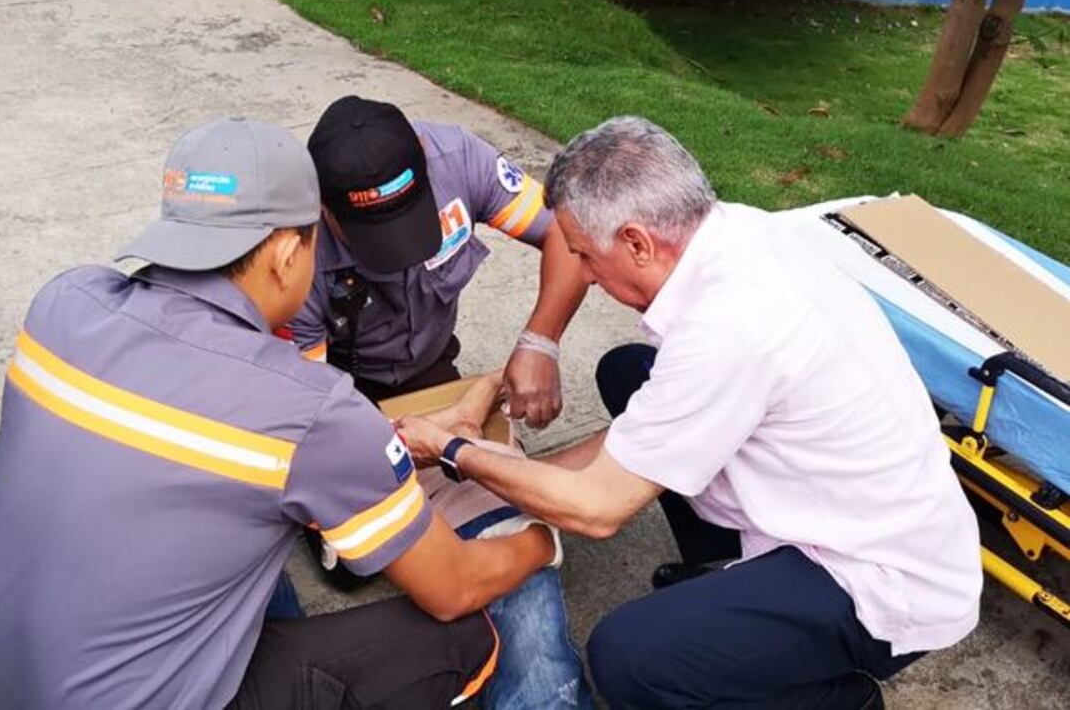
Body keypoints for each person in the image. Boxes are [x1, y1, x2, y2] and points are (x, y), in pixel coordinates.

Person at [0, 118, 561, 709]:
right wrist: (541, 535)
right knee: (460, 642)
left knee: (253, 564)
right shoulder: (307, 410)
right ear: (289, 254)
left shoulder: (62, 305)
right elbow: (454, 587)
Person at [398, 116, 984, 709]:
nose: (588, 278)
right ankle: (729, 571)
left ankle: (835, 698)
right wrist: (510, 468)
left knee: (628, 658)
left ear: (636, 243)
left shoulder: (730, 326)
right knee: (631, 371)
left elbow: (598, 509)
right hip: (857, 506)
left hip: (876, 582)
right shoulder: (740, 231)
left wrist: (457, 453)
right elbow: (645, 434)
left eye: (584, 256)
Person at [290, 95, 588, 428]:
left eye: (408, 218)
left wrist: (540, 343)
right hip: (339, 380)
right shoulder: (292, 248)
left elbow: (566, 233)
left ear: (423, 153)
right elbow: (311, 410)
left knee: (491, 463)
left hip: (428, 364)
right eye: (372, 235)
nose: (399, 254)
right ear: (321, 206)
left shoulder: (458, 158)